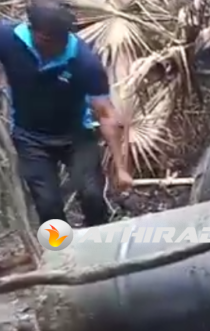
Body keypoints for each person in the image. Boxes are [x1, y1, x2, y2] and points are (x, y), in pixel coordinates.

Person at [0, 0, 132, 227]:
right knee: (48, 206)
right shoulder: (9, 39)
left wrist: (121, 169)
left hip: (76, 136)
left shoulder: (83, 61)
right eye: (48, 40)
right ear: (31, 30)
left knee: (92, 195)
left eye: (61, 39)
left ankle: (100, 239)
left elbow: (106, 114)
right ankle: (60, 248)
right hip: (30, 137)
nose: (56, 46)